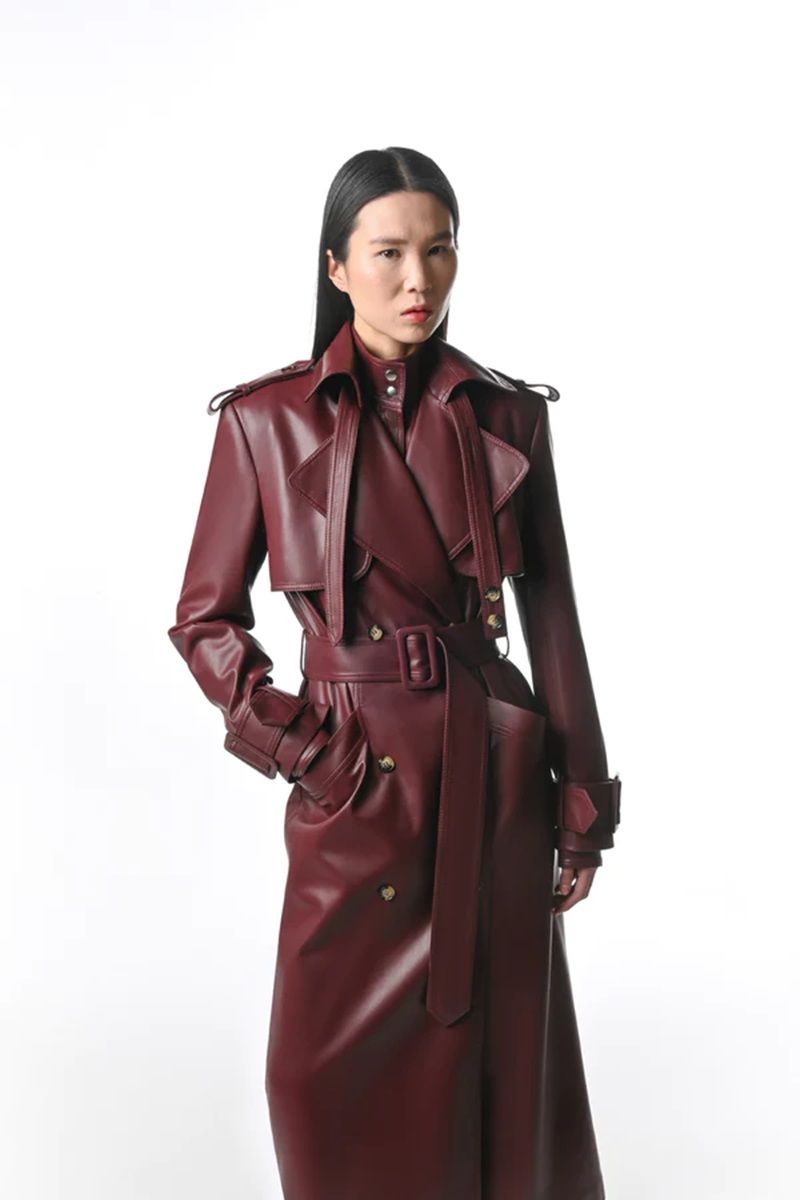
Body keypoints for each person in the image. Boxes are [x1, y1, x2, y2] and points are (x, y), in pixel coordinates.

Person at [167, 146, 621, 1200]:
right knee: (311, 1081)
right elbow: (203, 619)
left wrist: (582, 807)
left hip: (488, 777)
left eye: (438, 249)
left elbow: (553, 624)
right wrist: (303, 750)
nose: (418, 279)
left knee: (489, 1076)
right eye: (388, 253)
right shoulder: (264, 420)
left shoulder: (508, 416)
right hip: (355, 788)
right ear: (335, 267)